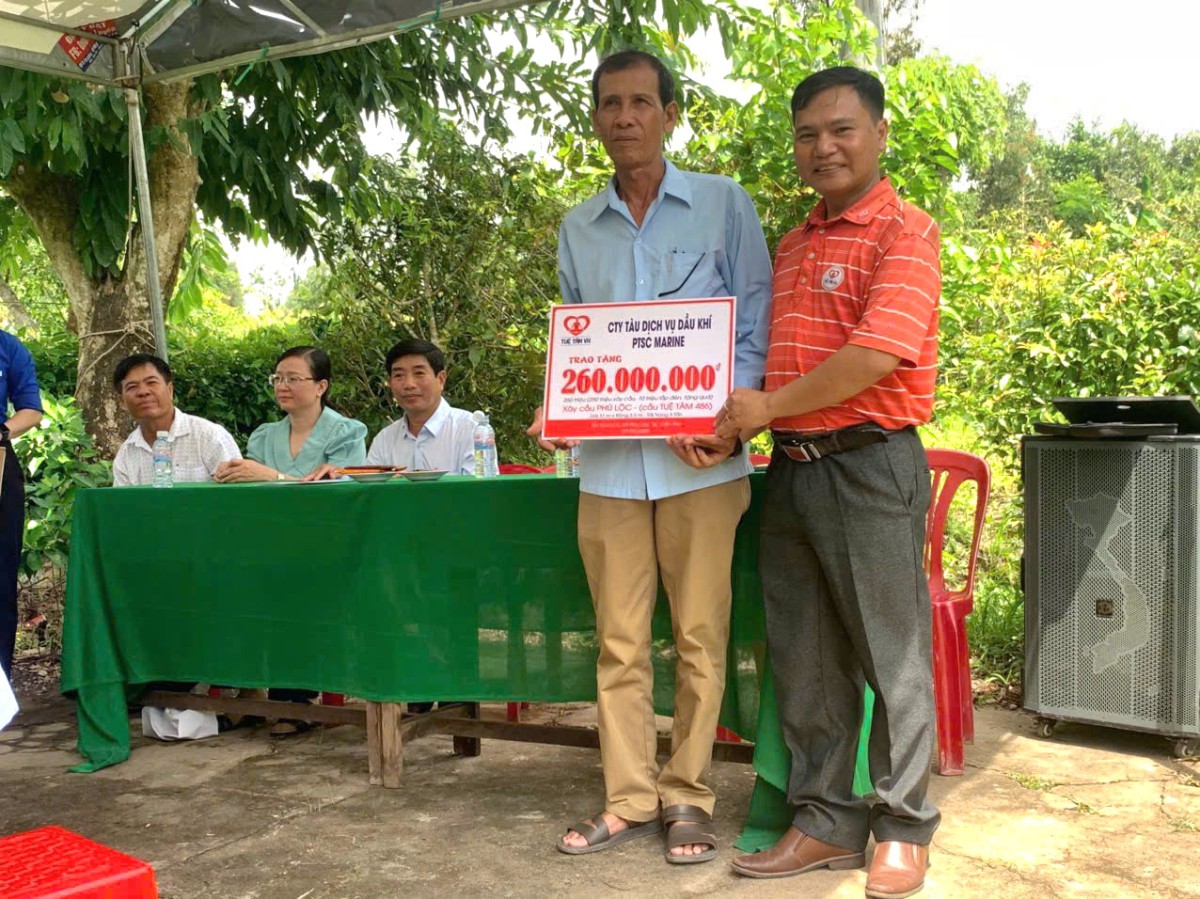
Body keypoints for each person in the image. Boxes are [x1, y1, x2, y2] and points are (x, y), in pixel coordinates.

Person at [674, 66, 941, 897]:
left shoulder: (905, 230)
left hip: (870, 463)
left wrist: (762, 409)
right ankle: (826, 819)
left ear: (880, 133)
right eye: (807, 134)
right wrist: (732, 425)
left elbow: (874, 355)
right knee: (807, 657)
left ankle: (903, 826)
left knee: (892, 655)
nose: (823, 147)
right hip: (791, 468)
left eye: (842, 129)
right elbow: (773, 366)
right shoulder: (793, 243)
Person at [530, 50, 772, 863]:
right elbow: (581, 343)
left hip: (703, 462)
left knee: (701, 635)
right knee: (619, 642)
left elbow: (754, 325)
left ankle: (688, 794)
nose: (625, 116)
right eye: (610, 103)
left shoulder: (722, 203)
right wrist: (558, 404)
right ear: (596, 118)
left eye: (641, 102)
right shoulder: (578, 227)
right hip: (607, 468)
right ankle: (629, 797)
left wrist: (731, 420)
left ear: (670, 114)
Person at [213, 346, 366, 484]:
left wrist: (274, 477)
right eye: (277, 379)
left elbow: (341, 493)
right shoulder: (264, 436)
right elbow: (253, 487)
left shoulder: (347, 434)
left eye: (293, 379)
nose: (281, 386)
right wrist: (231, 473)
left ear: (321, 387)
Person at [112, 354, 241, 486]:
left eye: (151, 383)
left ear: (170, 390)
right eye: (132, 387)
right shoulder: (126, 454)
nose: (143, 392)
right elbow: (122, 499)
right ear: (122, 402)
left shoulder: (208, 435)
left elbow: (238, 491)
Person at [363, 338, 478, 476]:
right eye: (399, 375)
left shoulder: (470, 429)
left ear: (441, 379)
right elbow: (372, 488)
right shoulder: (384, 440)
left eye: (419, 373)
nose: (409, 384)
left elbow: (480, 487)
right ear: (390, 382)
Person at [0, 329, 43, 682]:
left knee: (1, 573)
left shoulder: (8, 346)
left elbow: (31, 410)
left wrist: (3, 431)